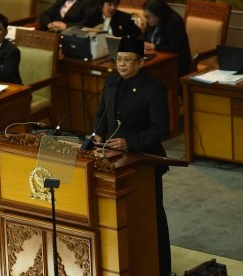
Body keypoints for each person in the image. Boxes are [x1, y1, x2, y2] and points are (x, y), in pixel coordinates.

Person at [92, 35, 171, 276]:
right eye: (119, 59)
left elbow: (161, 128)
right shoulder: (112, 81)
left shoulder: (153, 88)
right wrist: (97, 134)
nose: (122, 64)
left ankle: (159, 267)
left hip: (144, 160)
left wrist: (129, 143)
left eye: (128, 60)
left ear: (141, 62)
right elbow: (102, 114)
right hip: (112, 158)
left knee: (150, 213)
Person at [142, 0, 191, 77]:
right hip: (154, 61)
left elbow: (175, 48)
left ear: (158, 14)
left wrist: (153, 46)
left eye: (148, 17)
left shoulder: (174, 22)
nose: (146, 20)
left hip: (176, 65)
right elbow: (144, 38)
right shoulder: (152, 22)